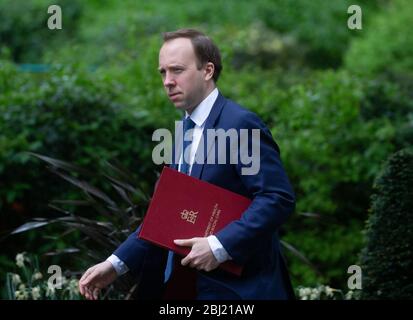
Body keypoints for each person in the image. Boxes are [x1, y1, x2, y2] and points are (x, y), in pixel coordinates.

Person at [79, 28, 295, 300]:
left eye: (177, 70)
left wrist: (218, 246)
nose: (168, 81)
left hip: (242, 292)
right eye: (163, 72)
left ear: (207, 71)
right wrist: (114, 265)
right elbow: (167, 215)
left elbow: (277, 198)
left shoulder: (240, 124)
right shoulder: (183, 130)